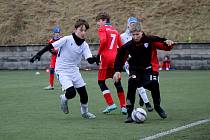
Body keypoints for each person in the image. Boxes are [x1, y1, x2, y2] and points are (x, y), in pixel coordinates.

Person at [30, 19, 99, 119]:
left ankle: (85, 113)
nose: (83, 32)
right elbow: (51, 45)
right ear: (76, 29)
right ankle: (64, 98)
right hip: (62, 70)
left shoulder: (84, 45)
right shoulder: (67, 39)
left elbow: (89, 60)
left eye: (85, 31)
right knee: (71, 93)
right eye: (81, 30)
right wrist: (38, 54)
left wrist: (97, 58)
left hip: (74, 70)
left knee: (84, 94)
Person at [113, 22, 174, 123]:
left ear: (142, 32)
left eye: (137, 34)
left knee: (154, 83)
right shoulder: (128, 46)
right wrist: (117, 71)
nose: (135, 37)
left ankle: (157, 107)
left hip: (149, 69)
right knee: (131, 82)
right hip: (135, 70)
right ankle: (129, 113)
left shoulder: (150, 40)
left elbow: (163, 44)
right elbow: (120, 57)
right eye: (133, 35)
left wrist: (169, 44)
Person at [95, 12, 127, 114]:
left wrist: (98, 54)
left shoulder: (102, 29)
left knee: (101, 82)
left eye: (99, 21)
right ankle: (124, 106)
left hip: (105, 59)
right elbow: (121, 47)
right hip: (115, 59)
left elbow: (103, 41)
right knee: (117, 82)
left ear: (104, 20)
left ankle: (111, 104)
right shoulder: (116, 31)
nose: (98, 23)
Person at [121, 17, 153, 112]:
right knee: (137, 82)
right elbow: (120, 50)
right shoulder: (122, 36)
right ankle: (147, 103)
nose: (132, 25)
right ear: (127, 25)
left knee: (143, 82)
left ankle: (142, 96)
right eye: (131, 23)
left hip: (141, 63)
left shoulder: (140, 35)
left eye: (134, 23)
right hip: (129, 64)